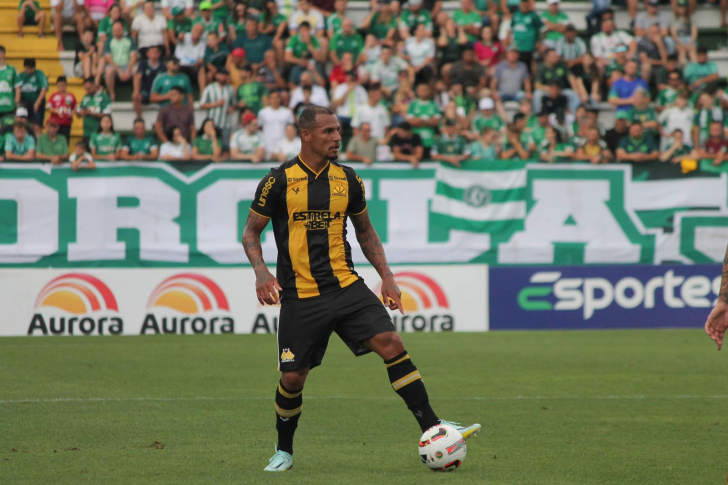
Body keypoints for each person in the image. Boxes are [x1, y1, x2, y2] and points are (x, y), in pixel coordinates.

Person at [242, 106, 481, 472]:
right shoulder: (278, 181)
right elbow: (251, 232)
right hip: (301, 294)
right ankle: (284, 450)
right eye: (328, 132)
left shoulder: (349, 179)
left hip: (347, 286)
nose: (337, 137)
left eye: (338, 130)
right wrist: (260, 272)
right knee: (293, 377)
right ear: (306, 135)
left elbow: (365, 232)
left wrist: (386, 276)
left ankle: (434, 427)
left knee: (392, 344)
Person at [104, 20, 139, 101]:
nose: (117, 32)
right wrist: (119, 71)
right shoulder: (108, 41)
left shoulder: (130, 40)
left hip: (128, 65)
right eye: (115, 30)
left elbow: (134, 57)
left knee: (137, 70)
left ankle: (136, 93)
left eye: (119, 29)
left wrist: (128, 70)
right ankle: (111, 93)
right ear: (112, 31)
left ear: (123, 30)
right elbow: (108, 58)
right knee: (108, 71)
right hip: (115, 66)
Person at [14, 58, 48, 138]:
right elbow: (17, 89)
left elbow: (44, 88)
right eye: (27, 68)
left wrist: (38, 102)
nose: (28, 70)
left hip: (36, 102)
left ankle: (38, 147)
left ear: (34, 68)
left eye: (30, 68)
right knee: (22, 124)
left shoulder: (39, 74)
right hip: (24, 103)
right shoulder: (21, 76)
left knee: (36, 126)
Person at [199, 69, 235, 144]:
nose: (224, 77)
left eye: (226, 75)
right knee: (213, 145)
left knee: (226, 146)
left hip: (226, 123)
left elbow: (234, 103)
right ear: (217, 76)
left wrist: (232, 108)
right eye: (222, 74)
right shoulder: (209, 88)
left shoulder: (230, 89)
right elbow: (202, 105)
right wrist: (216, 104)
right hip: (213, 123)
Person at [77, 77, 112, 147]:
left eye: (89, 88)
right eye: (86, 89)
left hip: (99, 133)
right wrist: (80, 113)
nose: (87, 91)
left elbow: (106, 115)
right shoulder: (85, 97)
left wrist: (90, 113)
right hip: (86, 133)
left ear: (94, 85)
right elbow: (79, 112)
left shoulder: (104, 98)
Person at [258, 90, 295, 156]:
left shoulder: (287, 112)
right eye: (273, 98)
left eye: (277, 98)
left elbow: (291, 127)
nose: (275, 100)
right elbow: (260, 127)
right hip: (267, 144)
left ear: (280, 99)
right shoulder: (263, 112)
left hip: (283, 144)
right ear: (269, 99)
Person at [132, 45, 165, 117]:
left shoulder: (163, 65)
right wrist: (136, 91)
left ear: (159, 54)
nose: (153, 54)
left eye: (155, 52)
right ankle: (139, 118)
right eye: (151, 52)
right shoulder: (143, 64)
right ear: (147, 54)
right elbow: (138, 78)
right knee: (135, 97)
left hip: (159, 93)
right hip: (146, 91)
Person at [175, 22, 207, 90]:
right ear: (192, 29)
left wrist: (197, 63)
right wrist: (180, 37)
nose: (198, 32)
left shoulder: (202, 42)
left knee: (202, 67)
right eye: (196, 30)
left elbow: (201, 58)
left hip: (193, 66)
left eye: (200, 31)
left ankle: (202, 93)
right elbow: (179, 39)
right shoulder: (185, 36)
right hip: (181, 64)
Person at [46, 76, 76, 142]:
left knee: (65, 141)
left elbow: (75, 108)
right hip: (55, 123)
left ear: (66, 85)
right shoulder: (53, 96)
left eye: (63, 85)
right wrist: (56, 111)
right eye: (59, 86)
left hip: (66, 123)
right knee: (54, 140)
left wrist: (71, 113)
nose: (61, 88)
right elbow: (48, 107)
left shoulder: (71, 96)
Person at [0, 47, 19, 128]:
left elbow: (17, 87)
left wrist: (16, 102)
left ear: (4, 54)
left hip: (9, 107)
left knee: (8, 129)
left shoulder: (12, 70)